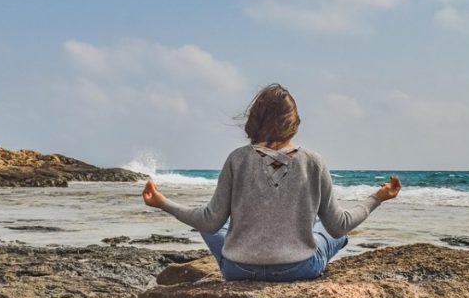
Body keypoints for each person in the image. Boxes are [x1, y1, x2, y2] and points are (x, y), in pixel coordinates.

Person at [141, 83, 401, 281]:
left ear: (254, 120)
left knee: (209, 223)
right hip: (299, 269)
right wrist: (377, 198)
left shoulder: (237, 159)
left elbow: (210, 222)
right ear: (294, 122)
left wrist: (163, 202)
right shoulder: (314, 162)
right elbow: (339, 225)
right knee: (329, 230)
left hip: (238, 270)